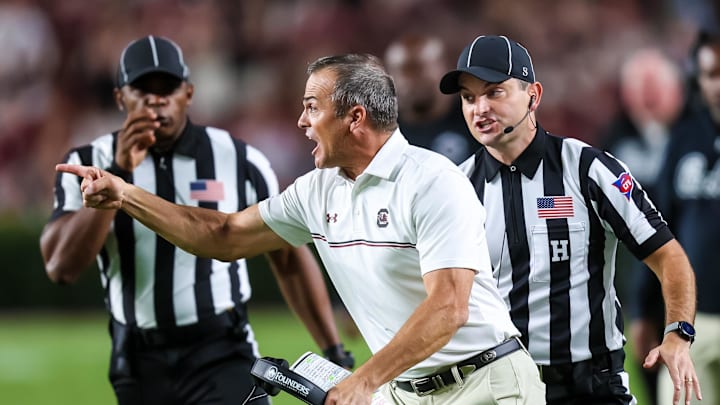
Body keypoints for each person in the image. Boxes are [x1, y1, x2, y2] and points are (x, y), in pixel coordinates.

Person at [56, 53, 546, 404]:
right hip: (404, 390)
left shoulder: (432, 180)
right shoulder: (318, 189)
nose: (300, 120)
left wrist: (363, 381)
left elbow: (448, 308)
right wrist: (125, 194)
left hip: (489, 384)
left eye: (312, 106)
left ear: (355, 117)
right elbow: (223, 236)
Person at [40, 35, 352, 405]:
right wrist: (118, 171)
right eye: (142, 89)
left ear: (187, 92)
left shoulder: (239, 159)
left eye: (167, 87)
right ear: (120, 98)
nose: (156, 99)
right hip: (139, 356)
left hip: (222, 348)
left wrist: (333, 348)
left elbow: (288, 256)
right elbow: (62, 267)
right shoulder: (89, 160)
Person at [439, 34, 701, 405]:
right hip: (500, 386)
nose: (479, 108)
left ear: (534, 95)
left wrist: (677, 333)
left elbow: (668, 256)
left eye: (494, 92)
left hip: (590, 385)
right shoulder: (456, 188)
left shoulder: (589, 169)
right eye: (468, 97)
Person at [599, 47, 686, 405]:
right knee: (650, 377)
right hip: (639, 289)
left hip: (699, 280)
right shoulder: (612, 142)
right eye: (639, 86)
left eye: (656, 85)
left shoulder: (698, 134)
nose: (647, 96)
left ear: (677, 88)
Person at [650, 29, 720, 405]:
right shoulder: (684, 138)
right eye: (712, 74)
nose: (719, 85)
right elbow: (660, 229)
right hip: (692, 320)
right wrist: (646, 310)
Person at [384, 33, 473, 164]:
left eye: (418, 69)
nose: (411, 81)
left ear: (442, 67)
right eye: (403, 71)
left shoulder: (474, 116)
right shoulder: (383, 132)